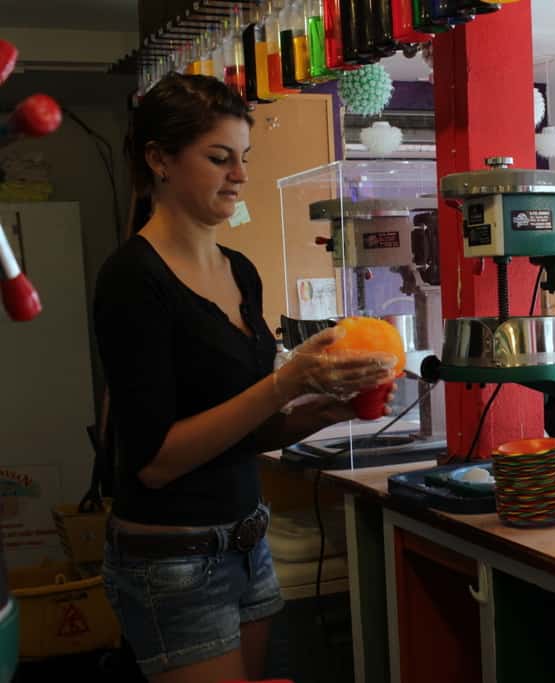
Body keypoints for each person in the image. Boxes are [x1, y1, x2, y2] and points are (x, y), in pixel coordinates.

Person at [94, 73, 395, 683]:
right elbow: (155, 462)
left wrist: (329, 406)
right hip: (174, 559)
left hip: (248, 541)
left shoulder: (240, 271)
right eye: (219, 158)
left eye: (245, 158)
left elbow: (245, 432)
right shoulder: (133, 278)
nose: (240, 175)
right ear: (159, 160)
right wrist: (286, 383)